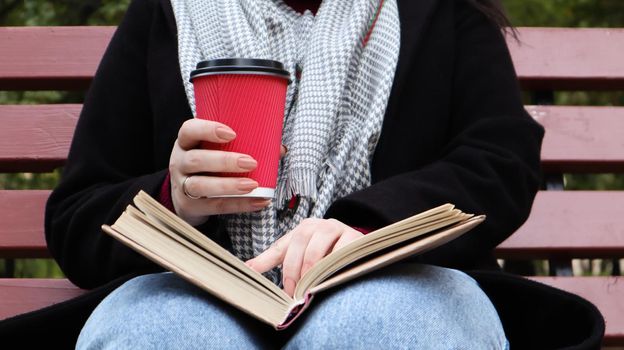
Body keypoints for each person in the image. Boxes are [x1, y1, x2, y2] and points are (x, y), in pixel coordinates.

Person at [26, 0, 601, 349]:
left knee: (390, 325)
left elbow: (502, 159)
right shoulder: (169, 13)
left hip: (404, 283)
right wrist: (173, 200)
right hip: (197, 292)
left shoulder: (440, 12)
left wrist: (367, 228)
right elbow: (77, 215)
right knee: (158, 336)